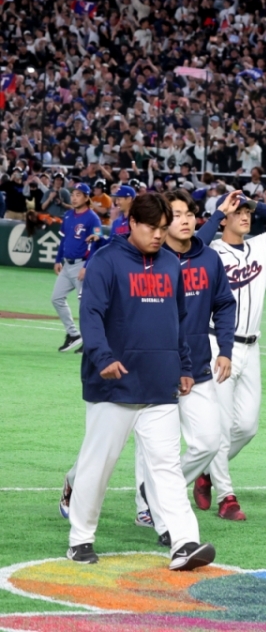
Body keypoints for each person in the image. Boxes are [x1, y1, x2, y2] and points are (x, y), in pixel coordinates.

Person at [67, 192, 216, 570]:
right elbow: (91, 315)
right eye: (152, 227)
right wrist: (103, 358)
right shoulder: (106, 261)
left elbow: (179, 320)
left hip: (159, 385)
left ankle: (184, 541)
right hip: (113, 386)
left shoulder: (169, 264)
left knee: (166, 468)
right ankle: (80, 538)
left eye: (163, 228)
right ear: (132, 222)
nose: (159, 235)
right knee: (98, 465)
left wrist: (184, 367)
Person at [120, 190, 237, 540]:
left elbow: (224, 304)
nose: (185, 220)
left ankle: (154, 493)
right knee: (149, 446)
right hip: (153, 367)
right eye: (177, 214)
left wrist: (225, 349)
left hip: (197, 366)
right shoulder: (150, 260)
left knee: (209, 442)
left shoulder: (209, 258)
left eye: (190, 214)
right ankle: (148, 508)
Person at [193, 191, 266, 520]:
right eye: (237, 211)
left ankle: (205, 471)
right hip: (217, 345)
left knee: (248, 426)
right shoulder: (212, 251)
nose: (245, 216)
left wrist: (257, 204)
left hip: (252, 347)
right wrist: (218, 213)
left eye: (248, 212)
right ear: (224, 217)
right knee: (222, 425)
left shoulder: (261, 246)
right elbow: (192, 246)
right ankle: (227, 497)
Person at [51, 183, 102, 353]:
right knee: (56, 298)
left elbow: (97, 244)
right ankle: (73, 334)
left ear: (87, 198)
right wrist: (58, 260)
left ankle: (90, 341)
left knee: (85, 305)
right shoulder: (68, 215)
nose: (74, 198)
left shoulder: (93, 218)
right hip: (67, 265)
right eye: (73, 194)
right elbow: (64, 240)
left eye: (78, 195)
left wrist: (87, 266)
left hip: (82, 264)